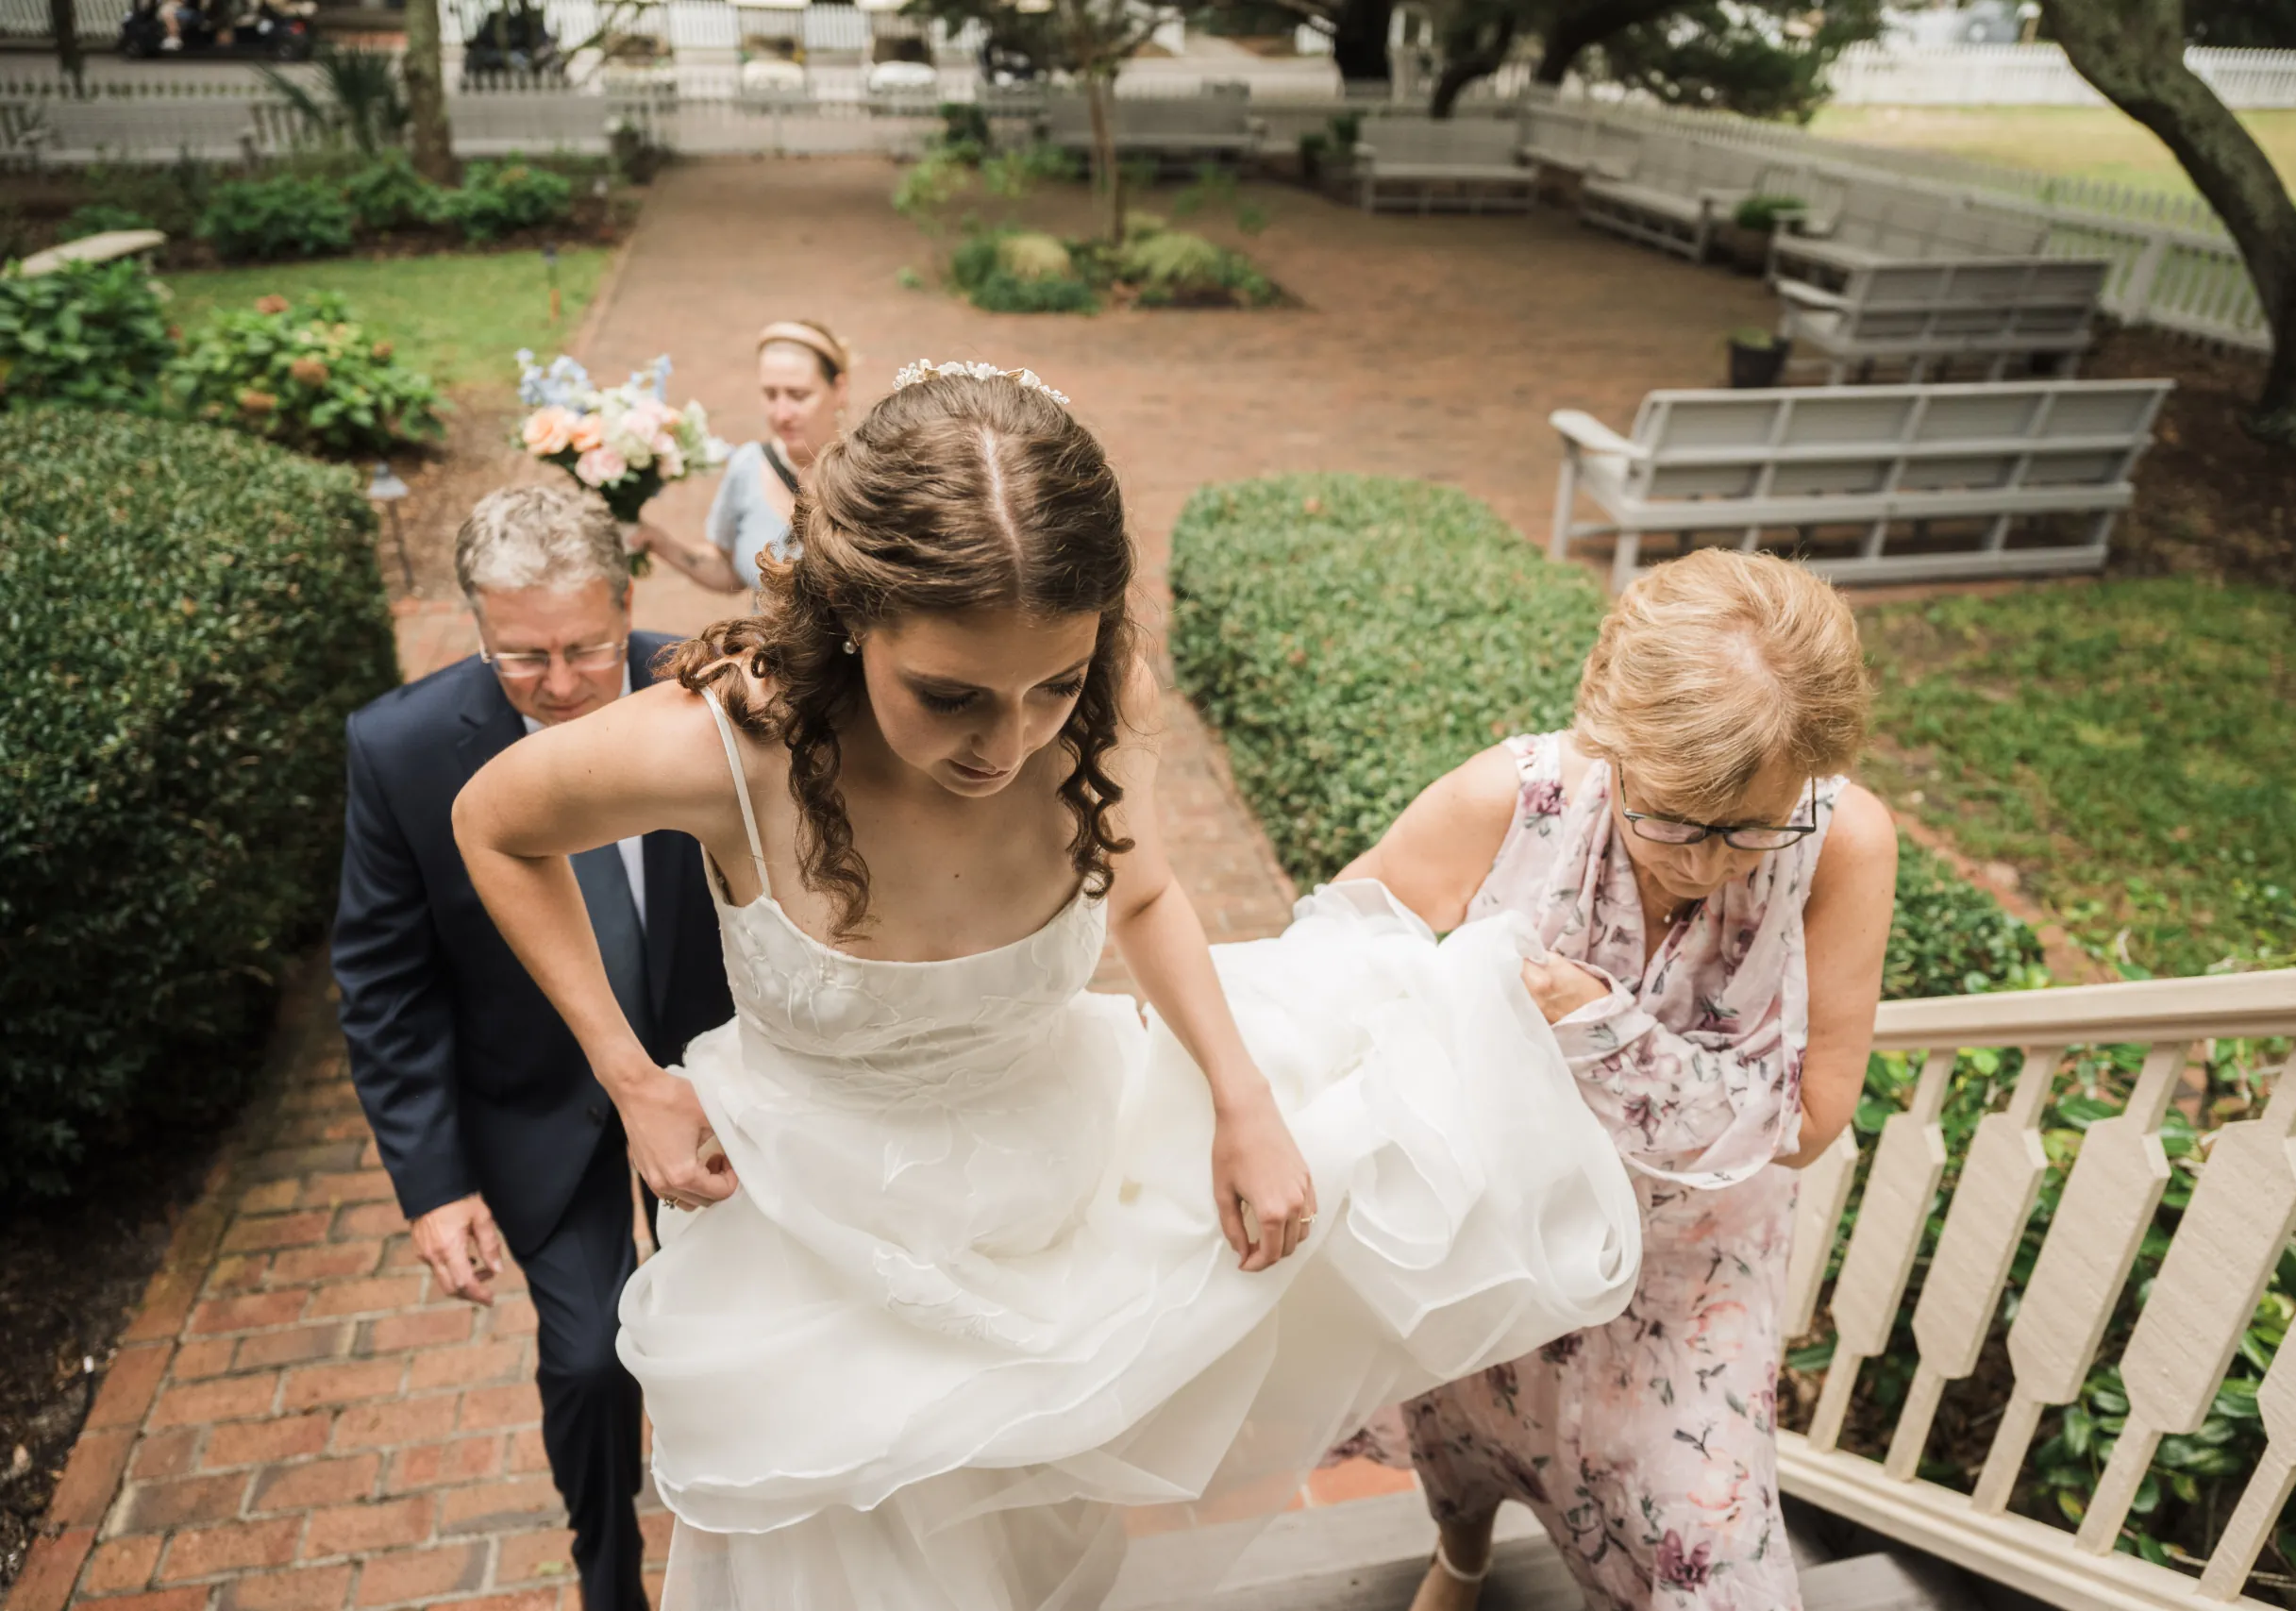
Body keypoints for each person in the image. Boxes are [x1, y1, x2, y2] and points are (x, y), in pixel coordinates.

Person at [450, 361, 1649, 1611]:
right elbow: (493, 823)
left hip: (1055, 1206)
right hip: (818, 1251)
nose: (1007, 743)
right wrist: (628, 1075)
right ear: (855, 614)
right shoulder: (726, 746)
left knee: (1028, 1547)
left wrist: (1241, 1100)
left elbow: (1139, 893)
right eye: (950, 694)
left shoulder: (1096, 712)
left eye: (1052, 685)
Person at [1333, 547, 1898, 1611]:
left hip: (1690, 1273)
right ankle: (1460, 1557)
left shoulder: (1844, 843)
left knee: (1711, 1550)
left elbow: (1814, 1117)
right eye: (1672, 817)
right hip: (1502, 1233)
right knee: (1462, 1420)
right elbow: (1338, 959)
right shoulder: (1511, 797)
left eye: (1748, 828)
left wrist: (1598, 1027)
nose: (1705, 862)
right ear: (1611, 735)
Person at [332, 486, 736, 1611]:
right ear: (474, 623)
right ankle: (609, 1579)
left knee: (743, 1336)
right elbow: (383, 981)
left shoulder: (710, 691)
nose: (559, 686)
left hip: (720, 1085)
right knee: (588, 1362)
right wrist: (434, 1183)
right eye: (520, 658)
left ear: (626, 601)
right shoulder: (400, 749)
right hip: (535, 1099)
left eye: (585, 649)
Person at [637, 319, 852, 594]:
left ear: (839, 390)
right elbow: (731, 573)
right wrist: (658, 542)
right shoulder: (748, 466)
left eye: (798, 395)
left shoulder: (868, 471)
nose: (781, 414)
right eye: (770, 394)